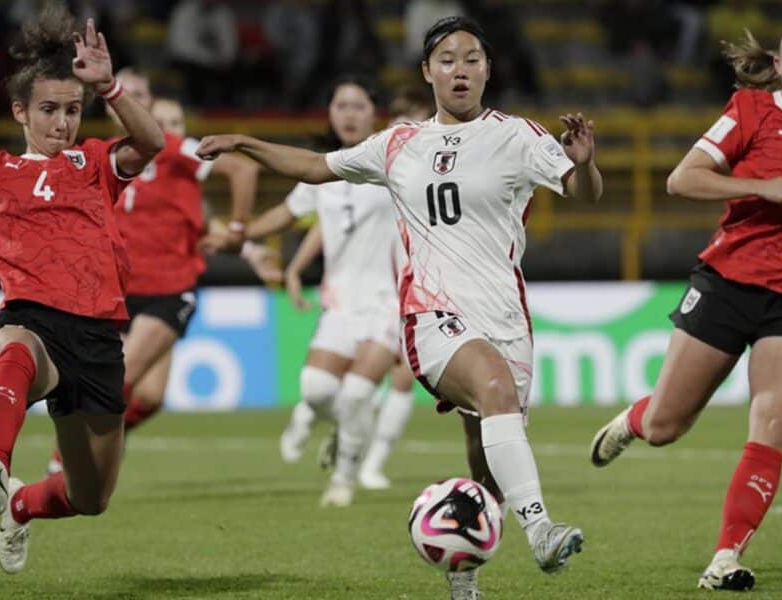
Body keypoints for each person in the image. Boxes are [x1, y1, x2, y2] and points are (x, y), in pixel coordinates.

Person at [197, 17, 602, 598]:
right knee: (492, 388)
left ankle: (463, 581)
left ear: (488, 69)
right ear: (426, 72)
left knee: (484, 466)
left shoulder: (519, 136)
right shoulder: (399, 144)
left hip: (504, 318)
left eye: (471, 59)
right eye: (446, 59)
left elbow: (582, 192)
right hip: (432, 316)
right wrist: (243, 143)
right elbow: (316, 168)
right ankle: (542, 531)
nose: (459, 69)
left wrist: (584, 163)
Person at [589, 22, 782, 591]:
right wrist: (758, 187)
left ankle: (724, 559)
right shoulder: (749, 111)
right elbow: (681, 179)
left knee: (771, 424)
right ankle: (636, 419)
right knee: (668, 425)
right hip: (727, 285)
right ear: (778, 63)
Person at [0, 0, 164, 573]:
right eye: (48, 110)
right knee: (13, 346)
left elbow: (153, 142)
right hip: (32, 317)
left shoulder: (93, 163)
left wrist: (110, 89)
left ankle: (18, 502)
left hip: (96, 340)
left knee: (91, 499)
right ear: (20, 111)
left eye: (71, 110)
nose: (62, 123)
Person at [45, 69, 278, 474]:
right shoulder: (99, 154)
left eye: (139, 93)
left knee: (118, 378)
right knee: (149, 396)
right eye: (122, 92)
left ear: (146, 102)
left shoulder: (168, 149)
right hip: (114, 289)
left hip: (167, 289)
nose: (130, 99)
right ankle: (107, 444)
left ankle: (61, 463)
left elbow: (241, 172)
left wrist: (242, 235)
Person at [235, 76, 408, 508]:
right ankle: (326, 418)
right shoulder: (322, 171)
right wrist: (236, 235)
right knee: (315, 389)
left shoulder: (393, 163)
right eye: (341, 105)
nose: (349, 114)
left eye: (358, 106)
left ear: (374, 113)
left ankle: (344, 479)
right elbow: (289, 215)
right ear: (330, 113)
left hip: (386, 303)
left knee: (355, 394)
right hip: (340, 303)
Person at [281, 85, 436, 491]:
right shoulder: (377, 168)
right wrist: (292, 265)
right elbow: (334, 224)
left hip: (406, 293)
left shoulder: (428, 174)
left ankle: (365, 467)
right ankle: (333, 428)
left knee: (395, 382)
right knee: (331, 391)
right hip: (364, 296)